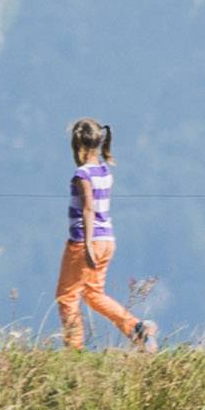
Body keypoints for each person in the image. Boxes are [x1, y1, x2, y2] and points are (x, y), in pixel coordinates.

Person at [57, 118, 153, 351]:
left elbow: (88, 207)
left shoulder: (82, 174)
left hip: (84, 241)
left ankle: (74, 349)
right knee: (93, 293)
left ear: (77, 145)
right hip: (107, 239)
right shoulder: (104, 171)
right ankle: (136, 328)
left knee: (67, 297)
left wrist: (87, 243)